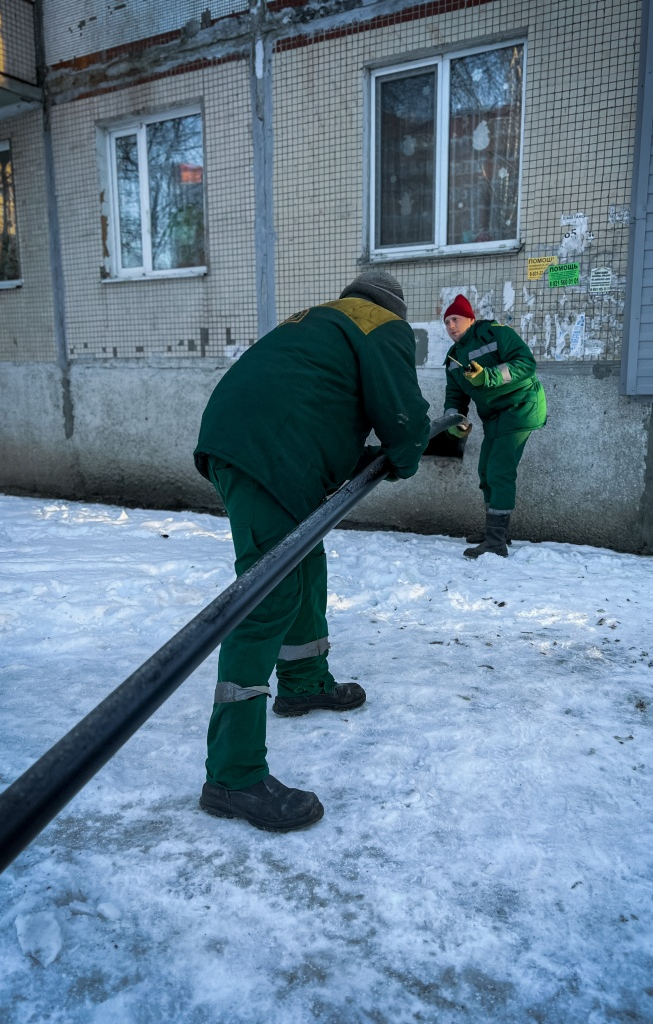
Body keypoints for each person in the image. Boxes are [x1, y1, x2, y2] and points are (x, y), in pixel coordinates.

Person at [193, 271, 430, 832]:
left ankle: (303, 684)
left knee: (303, 559)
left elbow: (317, 405)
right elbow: (403, 414)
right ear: (393, 309)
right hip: (266, 451)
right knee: (266, 594)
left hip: (253, 441)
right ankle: (233, 774)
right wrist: (406, 452)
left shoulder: (324, 320)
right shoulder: (381, 326)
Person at [442, 294, 546, 558]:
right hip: (495, 417)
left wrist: (488, 376)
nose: (451, 326)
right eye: (446, 322)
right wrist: (454, 422)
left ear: (471, 319)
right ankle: (496, 532)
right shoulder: (453, 358)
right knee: (486, 471)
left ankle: (496, 543)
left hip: (521, 408)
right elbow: (455, 396)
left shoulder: (495, 334)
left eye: (456, 319)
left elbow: (526, 364)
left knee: (499, 470)